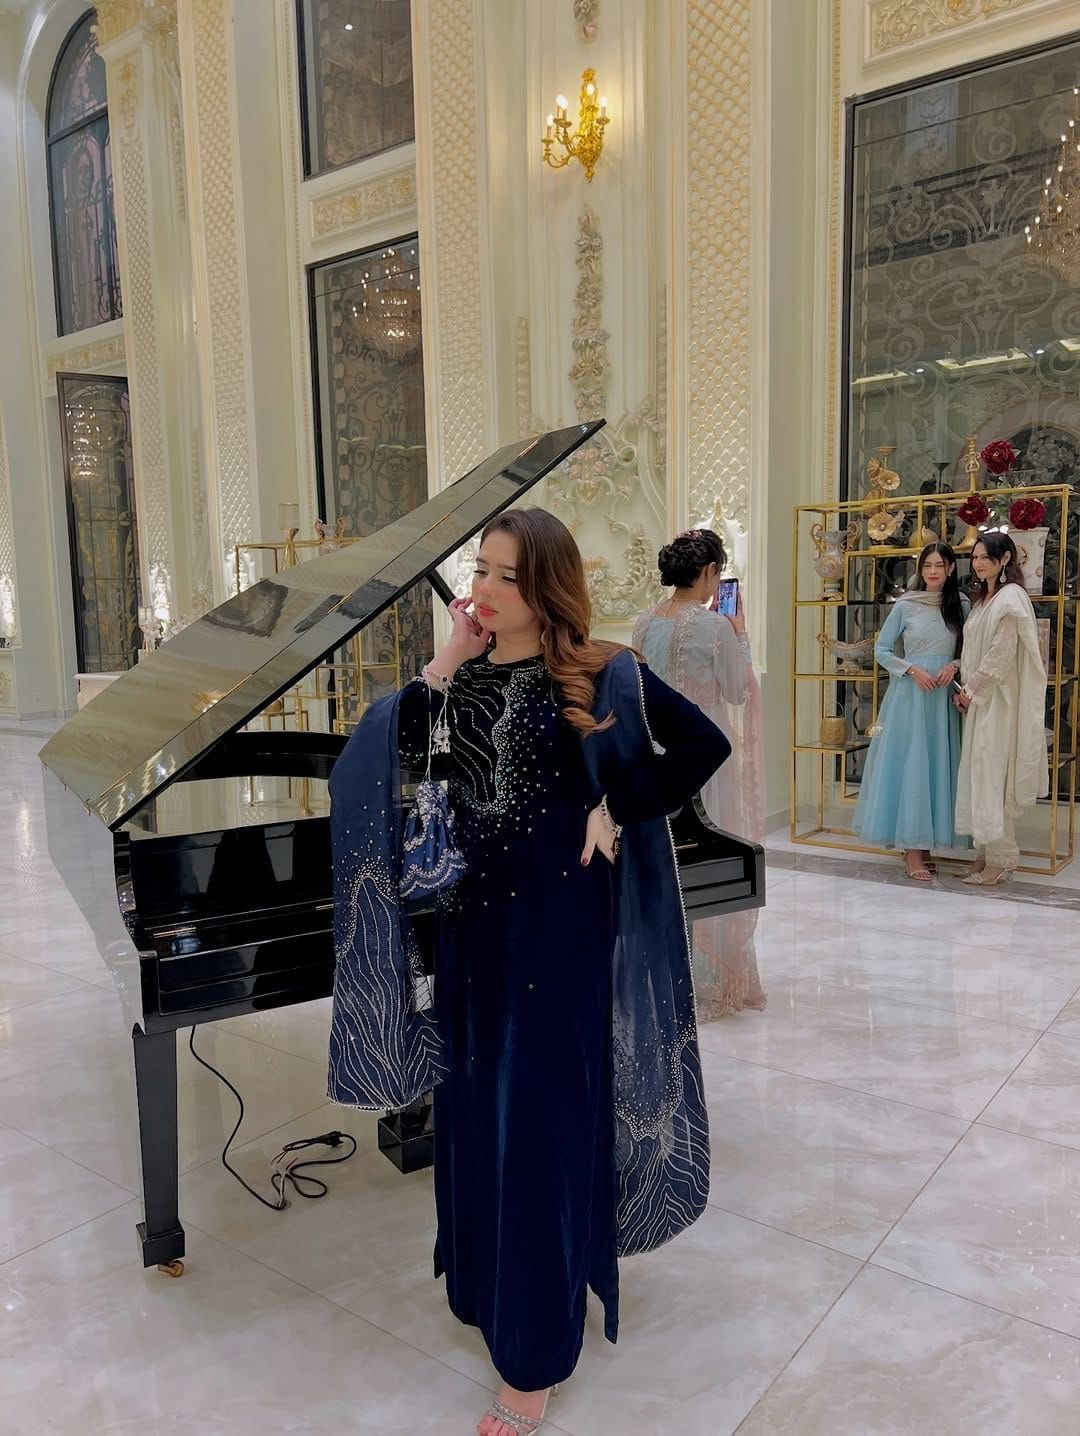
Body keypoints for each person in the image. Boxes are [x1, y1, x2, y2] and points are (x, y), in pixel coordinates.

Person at [326, 508, 731, 1436]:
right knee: (476, 1111)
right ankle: (488, 1291)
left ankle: (535, 1356)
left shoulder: (603, 670)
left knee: (541, 1124)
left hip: (561, 934)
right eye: (481, 570)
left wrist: (617, 807)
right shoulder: (459, 682)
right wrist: (444, 660)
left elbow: (702, 745)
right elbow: (371, 759)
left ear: (546, 585)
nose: (486, 589)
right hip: (472, 937)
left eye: (508, 576)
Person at [633, 528, 766, 1018]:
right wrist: (741, 634)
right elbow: (736, 691)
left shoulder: (644, 622)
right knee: (710, 857)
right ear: (710, 572)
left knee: (665, 861)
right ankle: (709, 977)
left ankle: (666, 971)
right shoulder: (716, 627)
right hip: (706, 755)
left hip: (656, 756)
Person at [852, 542, 969, 881]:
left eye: (939, 565)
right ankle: (912, 851)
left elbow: (970, 649)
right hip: (911, 695)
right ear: (920, 569)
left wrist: (954, 665)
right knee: (912, 764)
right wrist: (911, 670)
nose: (933, 571)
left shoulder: (961, 604)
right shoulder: (905, 604)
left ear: (950, 568)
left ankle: (925, 843)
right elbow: (882, 650)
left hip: (943, 697)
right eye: (927, 565)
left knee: (937, 764)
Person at [953, 532, 1049, 886]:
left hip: (998, 702)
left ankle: (1002, 858)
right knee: (980, 774)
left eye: (985, 557)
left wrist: (970, 689)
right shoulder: (984, 599)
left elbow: (1001, 654)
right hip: (982, 701)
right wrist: (968, 690)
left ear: (1005, 559)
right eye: (975, 557)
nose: (978, 563)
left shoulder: (1011, 598)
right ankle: (985, 852)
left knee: (994, 775)